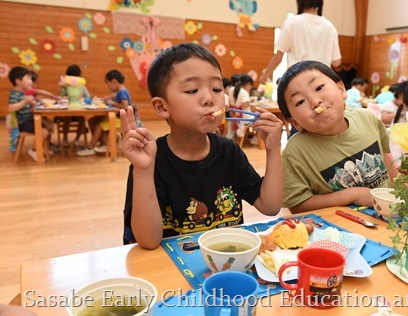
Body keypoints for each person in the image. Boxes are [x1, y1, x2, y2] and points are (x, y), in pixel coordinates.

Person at [120, 43, 283, 249]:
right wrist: (143, 171)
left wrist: (273, 148)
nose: (209, 99)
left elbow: (270, 206)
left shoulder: (229, 152)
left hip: (226, 262)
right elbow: (148, 241)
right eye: (192, 90)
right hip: (174, 269)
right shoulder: (152, 160)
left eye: (216, 89)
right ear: (162, 106)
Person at [277, 61, 397, 213]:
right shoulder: (295, 151)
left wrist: (402, 194)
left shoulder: (368, 119)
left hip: (389, 218)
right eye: (300, 101)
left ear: (341, 89)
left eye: (319, 88)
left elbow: (387, 160)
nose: (315, 102)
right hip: (340, 230)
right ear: (295, 122)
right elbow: (297, 205)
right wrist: (351, 195)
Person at [259, 0, 341, 84]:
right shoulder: (329, 26)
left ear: (299, 1)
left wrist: (264, 76)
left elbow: (278, 56)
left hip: (298, 82)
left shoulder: (292, 23)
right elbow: (337, 62)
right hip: (322, 83)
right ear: (320, 2)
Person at [77, 69, 132, 156]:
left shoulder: (122, 92)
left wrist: (112, 103)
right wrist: (103, 99)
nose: (108, 86)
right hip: (119, 118)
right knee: (93, 120)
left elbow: (125, 106)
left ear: (114, 82)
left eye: (108, 84)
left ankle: (90, 147)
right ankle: (104, 143)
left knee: (99, 125)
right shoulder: (120, 91)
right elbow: (112, 96)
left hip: (123, 121)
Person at [8, 66, 52, 162]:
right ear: (18, 82)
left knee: (48, 126)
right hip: (23, 123)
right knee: (44, 131)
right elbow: (11, 108)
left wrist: (31, 102)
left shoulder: (22, 93)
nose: (31, 81)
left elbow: (25, 103)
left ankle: (41, 147)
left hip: (29, 120)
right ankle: (34, 150)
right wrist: (25, 101)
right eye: (28, 78)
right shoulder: (14, 94)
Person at [59, 64, 90, 147]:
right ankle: (65, 138)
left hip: (78, 109)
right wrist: (62, 87)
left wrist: (83, 99)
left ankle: (77, 139)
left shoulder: (81, 86)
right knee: (67, 118)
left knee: (82, 119)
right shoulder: (65, 85)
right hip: (67, 109)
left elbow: (87, 96)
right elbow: (62, 96)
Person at [226, 74, 254, 141]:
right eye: (251, 86)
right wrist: (250, 100)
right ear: (248, 84)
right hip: (244, 118)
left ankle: (250, 137)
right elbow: (244, 106)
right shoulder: (244, 92)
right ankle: (252, 138)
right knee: (260, 118)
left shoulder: (231, 89)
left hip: (234, 117)